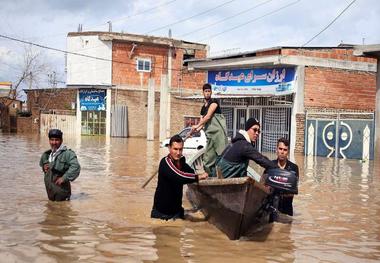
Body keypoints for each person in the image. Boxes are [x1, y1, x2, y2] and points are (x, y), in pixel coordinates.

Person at [151, 135, 208, 220]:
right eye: (175, 149)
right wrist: (199, 177)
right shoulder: (165, 162)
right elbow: (179, 176)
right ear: (169, 148)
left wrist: (199, 175)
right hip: (162, 214)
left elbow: (190, 172)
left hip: (177, 212)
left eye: (180, 149)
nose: (178, 153)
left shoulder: (181, 163)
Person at [190, 83, 228, 176]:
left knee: (222, 157)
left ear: (211, 92)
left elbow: (208, 117)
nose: (207, 93)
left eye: (209, 91)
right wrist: (194, 130)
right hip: (210, 136)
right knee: (207, 161)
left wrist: (197, 125)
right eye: (205, 91)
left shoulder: (214, 102)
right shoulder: (203, 108)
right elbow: (202, 124)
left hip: (219, 135)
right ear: (203, 92)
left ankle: (222, 177)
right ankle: (211, 178)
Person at [39, 129, 80, 201]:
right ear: (49, 141)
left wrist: (64, 178)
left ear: (61, 141)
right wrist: (44, 167)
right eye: (52, 140)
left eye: (57, 140)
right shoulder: (47, 155)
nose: (54, 142)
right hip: (51, 195)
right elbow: (44, 168)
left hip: (62, 197)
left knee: (63, 211)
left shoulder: (68, 154)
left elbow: (76, 167)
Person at [267, 137, 299, 216]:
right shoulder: (270, 165)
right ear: (276, 150)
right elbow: (264, 184)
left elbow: (293, 191)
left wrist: (276, 189)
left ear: (288, 152)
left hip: (287, 211)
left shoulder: (293, 168)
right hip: (271, 209)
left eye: (285, 150)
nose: (282, 152)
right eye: (280, 149)